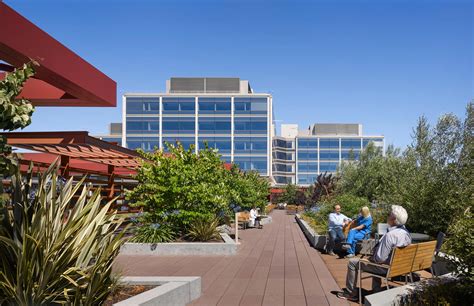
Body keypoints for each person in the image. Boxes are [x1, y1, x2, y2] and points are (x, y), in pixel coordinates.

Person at [337, 205, 412, 302]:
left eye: (389, 214)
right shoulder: (406, 233)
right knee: (376, 260)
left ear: (393, 219)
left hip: (387, 269)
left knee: (352, 262)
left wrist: (370, 259)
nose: (387, 216)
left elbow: (379, 259)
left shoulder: (390, 235)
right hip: (399, 267)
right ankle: (376, 291)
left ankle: (350, 293)